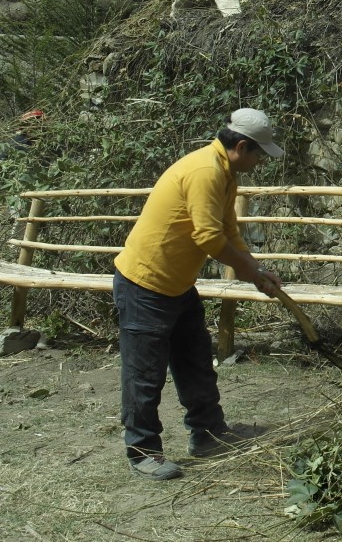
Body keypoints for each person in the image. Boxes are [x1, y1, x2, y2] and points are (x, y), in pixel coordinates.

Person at [112, 109, 285, 480]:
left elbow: (229, 232)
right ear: (241, 146)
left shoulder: (225, 174)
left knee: (195, 362)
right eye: (259, 154)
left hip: (178, 284)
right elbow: (207, 238)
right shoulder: (205, 172)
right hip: (145, 284)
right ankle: (143, 451)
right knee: (144, 374)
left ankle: (207, 434)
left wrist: (256, 271)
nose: (260, 162)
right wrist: (247, 271)